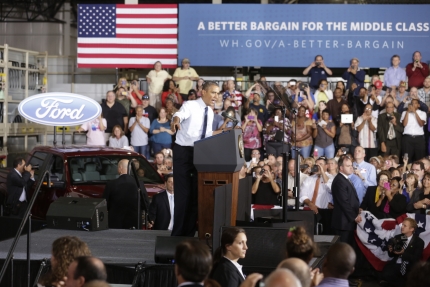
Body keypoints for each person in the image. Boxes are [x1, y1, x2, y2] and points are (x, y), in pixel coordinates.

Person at [170, 81, 226, 236]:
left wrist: (225, 131)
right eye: (213, 92)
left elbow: (206, 135)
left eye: (217, 93)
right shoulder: (190, 105)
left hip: (200, 152)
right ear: (203, 92)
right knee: (184, 195)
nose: (216, 96)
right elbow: (179, 115)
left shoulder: (210, 110)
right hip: (184, 153)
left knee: (196, 194)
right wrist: (175, 121)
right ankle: (177, 236)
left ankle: (188, 234)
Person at [379, 218, 425, 287]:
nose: (402, 227)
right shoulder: (397, 237)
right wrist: (391, 250)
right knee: (385, 274)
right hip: (396, 263)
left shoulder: (419, 242)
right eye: (402, 225)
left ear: (411, 229)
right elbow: (391, 255)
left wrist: (403, 253)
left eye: (405, 225)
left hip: (409, 266)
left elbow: (416, 258)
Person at [102, 159, 140, 229]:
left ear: (120, 168)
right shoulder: (139, 184)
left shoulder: (111, 184)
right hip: (134, 224)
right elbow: (145, 202)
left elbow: (104, 204)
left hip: (115, 224)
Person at [331, 155, 360, 245]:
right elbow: (344, 202)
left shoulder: (344, 179)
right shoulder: (340, 181)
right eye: (348, 166)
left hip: (347, 222)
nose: (351, 168)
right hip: (343, 223)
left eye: (351, 165)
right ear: (341, 168)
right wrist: (354, 217)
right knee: (343, 250)